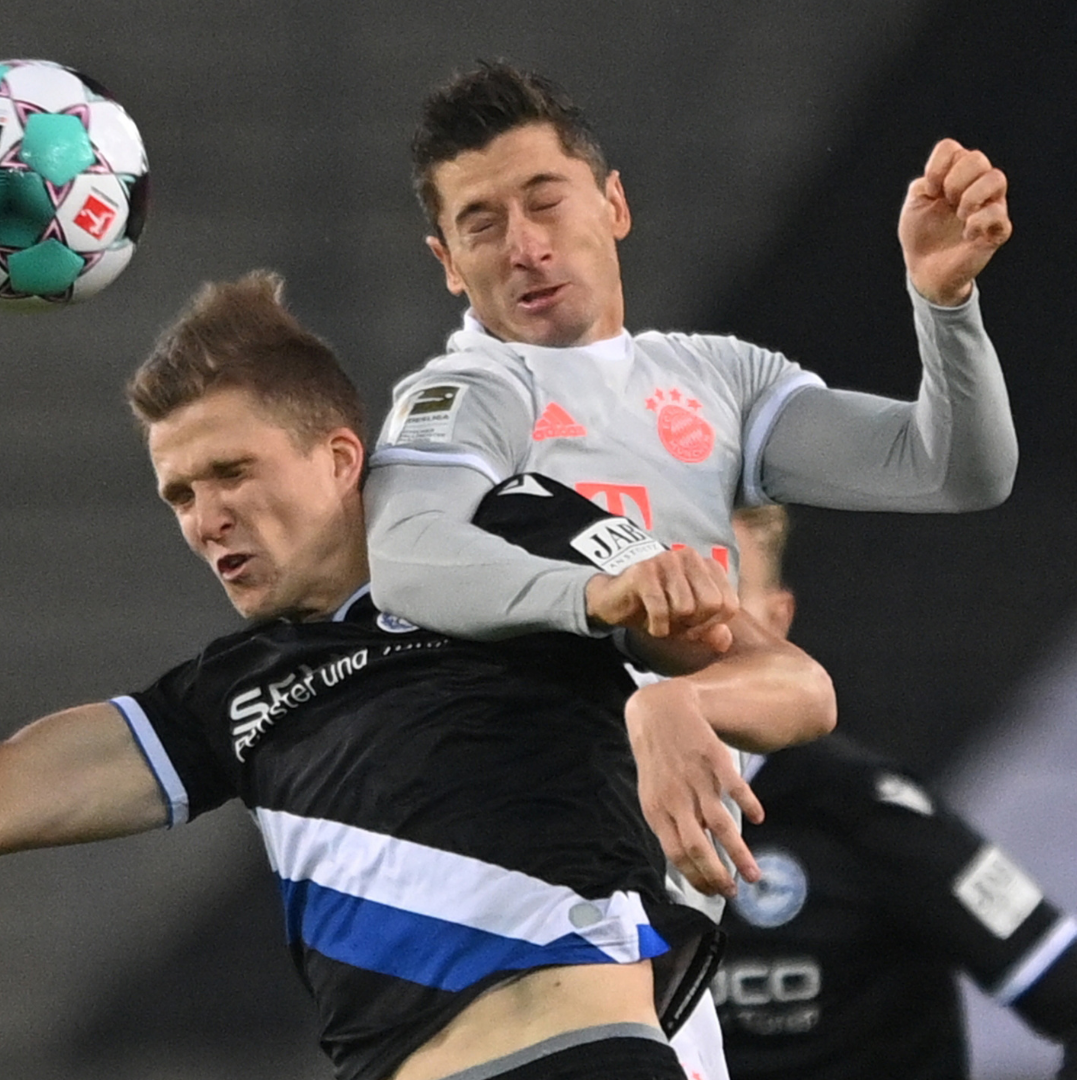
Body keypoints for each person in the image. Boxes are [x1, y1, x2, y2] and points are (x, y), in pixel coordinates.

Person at [0, 273, 834, 1080]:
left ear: (340, 457)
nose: (205, 518)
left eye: (232, 472)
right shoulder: (230, 694)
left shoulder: (513, 527)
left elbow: (796, 686)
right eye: (179, 494)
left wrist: (675, 700)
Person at [364, 60, 1020, 896]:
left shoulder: (718, 380)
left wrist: (946, 303)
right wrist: (603, 592)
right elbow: (407, 554)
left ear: (615, 204)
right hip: (536, 881)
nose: (525, 247)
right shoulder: (467, 395)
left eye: (546, 201)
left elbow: (953, 471)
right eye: (481, 224)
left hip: (682, 889)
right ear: (449, 262)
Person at [711, 505, 1077, 1080]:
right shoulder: (605, 818)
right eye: (668, 587)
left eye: (722, 593)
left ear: (777, 621)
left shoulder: (868, 812)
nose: (692, 620)